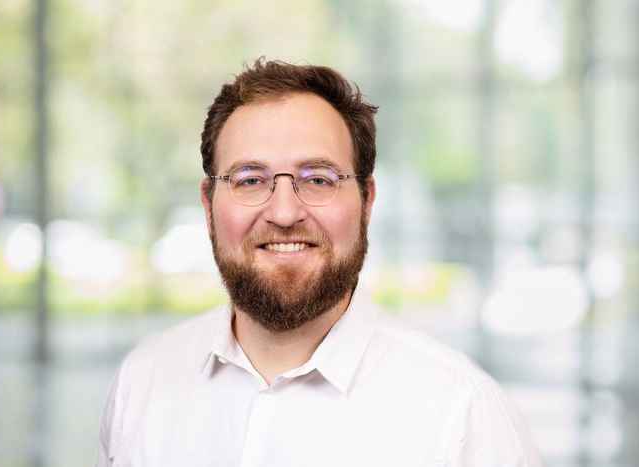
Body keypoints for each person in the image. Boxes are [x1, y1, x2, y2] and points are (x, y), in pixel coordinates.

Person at [97, 59, 543, 467]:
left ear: (367, 200)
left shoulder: (463, 416)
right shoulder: (143, 382)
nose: (284, 213)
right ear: (208, 204)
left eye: (318, 179)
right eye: (250, 180)